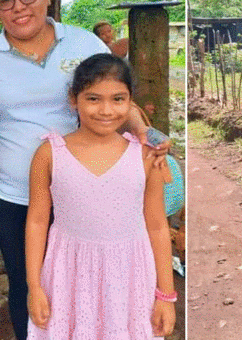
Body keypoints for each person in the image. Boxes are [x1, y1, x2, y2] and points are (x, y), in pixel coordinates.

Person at [0, 0, 166, 340]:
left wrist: (146, 133)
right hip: (12, 195)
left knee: (84, 276)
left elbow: (115, 96)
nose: (18, 6)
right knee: (28, 283)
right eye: (5, 0)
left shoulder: (84, 42)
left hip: (83, 188)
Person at [25, 53, 175, 339]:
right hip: (68, 277)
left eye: (118, 99)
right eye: (93, 99)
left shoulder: (146, 156)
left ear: (131, 102)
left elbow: (157, 226)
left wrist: (166, 295)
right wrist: (35, 286)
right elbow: (36, 222)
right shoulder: (49, 154)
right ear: (74, 99)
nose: (106, 110)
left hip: (129, 278)